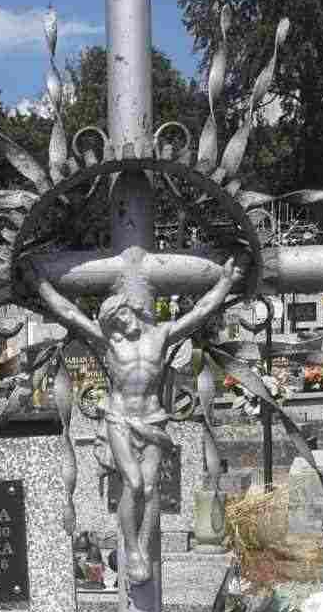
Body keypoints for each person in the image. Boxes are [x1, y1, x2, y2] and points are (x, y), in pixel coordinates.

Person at [30, 247, 238, 583]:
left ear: (132, 310)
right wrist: (41, 283)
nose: (121, 321)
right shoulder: (109, 343)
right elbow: (69, 313)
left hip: (153, 418)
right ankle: (131, 547)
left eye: (123, 314)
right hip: (120, 419)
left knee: (151, 487)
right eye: (114, 317)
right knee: (134, 482)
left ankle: (142, 544)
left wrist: (225, 282)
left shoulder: (161, 336)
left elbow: (200, 312)